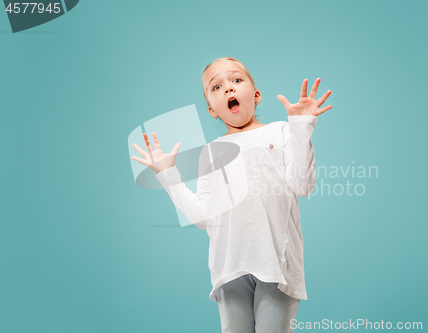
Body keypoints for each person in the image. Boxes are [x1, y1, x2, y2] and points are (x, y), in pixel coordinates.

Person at [131, 57, 332, 333]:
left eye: (236, 80)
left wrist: (300, 127)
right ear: (213, 110)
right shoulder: (211, 152)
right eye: (216, 87)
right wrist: (168, 175)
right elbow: (204, 217)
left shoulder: (281, 131)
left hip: (277, 265)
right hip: (229, 267)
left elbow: (302, 184)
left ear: (256, 95)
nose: (228, 89)